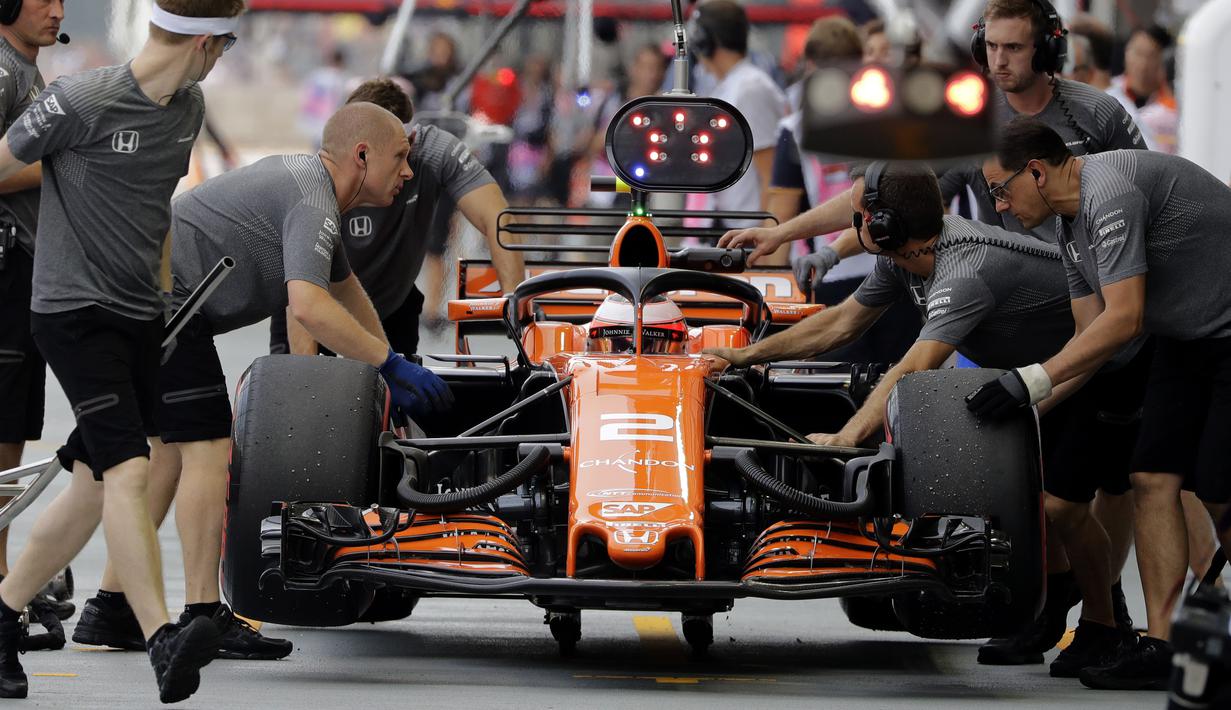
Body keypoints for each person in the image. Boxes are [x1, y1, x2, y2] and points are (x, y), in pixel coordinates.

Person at [706, 162, 1142, 677]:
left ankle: (1106, 625)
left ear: (884, 227)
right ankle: (1053, 607)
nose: (852, 225)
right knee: (1036, 500)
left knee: (1059, 506)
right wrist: (741, 359)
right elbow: (843, 322)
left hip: (1104, 363)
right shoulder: (904, 255)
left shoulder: (963, 272)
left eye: (856, 216)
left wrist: (847, 436)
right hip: (1042, 371)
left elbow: (915, 366)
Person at [70, 102, 454, 660]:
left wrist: (392, 361)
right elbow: (309, 305)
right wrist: (388, 367)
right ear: (361, 155)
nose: (409, 173)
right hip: (169, 306)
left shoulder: (313, 192)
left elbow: (343, 290)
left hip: (145, 298)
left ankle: (112, 607)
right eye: (400, 158)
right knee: (208, 451)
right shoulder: (313, 198)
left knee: (169, 456)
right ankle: (204, 613)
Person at [0, 0, 243, 702]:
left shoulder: (186, 110)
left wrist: (165, 299)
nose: (222, 57)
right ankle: (161, 636)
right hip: (72, 313)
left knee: (93, 482)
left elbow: (157, 207)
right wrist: (64, 172)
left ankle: (1, 614)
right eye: (223, 44)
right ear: (204, 46)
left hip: (143, 315)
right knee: (131, 470)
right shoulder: (77, 101)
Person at [973, 117, 1231, 690]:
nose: (1002, 208)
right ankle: (1162, 646)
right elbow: (1092, 345)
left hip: (1225, 333)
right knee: (1150, 476)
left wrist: (1031, 380)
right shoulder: (1069, 229)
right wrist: (1027, 410)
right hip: (1187, 339)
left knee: (1216, 487)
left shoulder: (1106, 193)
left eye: (1000, 190)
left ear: (1036, 171)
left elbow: (1125, 318)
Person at [268, 78, 524, 357]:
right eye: (394, 155)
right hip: (320, 303)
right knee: (305, 385)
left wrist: (513, 300)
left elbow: (498, 218)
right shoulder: (322, 177)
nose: (406, 170)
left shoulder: (433, 151)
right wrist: (305, 383)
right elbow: (303, 301)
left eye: (406, 151)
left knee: (403, 393)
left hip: (393, 303)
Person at [767, 17, 919, 363]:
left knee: (833, 392)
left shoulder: (796, 128)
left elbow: (782, 209)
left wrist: (775, 292)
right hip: (897, 269)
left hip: (831, 272)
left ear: (809, 65)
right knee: (898, 389)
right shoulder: (891, 117)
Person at [0, 0, 75, 624]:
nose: (56, 10)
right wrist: (63, 160)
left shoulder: (26, 72)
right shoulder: (0, 71)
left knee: (13, 428)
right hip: (4, 269)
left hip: (26, 267)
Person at [689, 0, 787, 229]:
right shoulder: (730, 87)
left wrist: (765, 245)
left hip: (749, 234)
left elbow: (772, 176)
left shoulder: (750, 89)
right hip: (729, 228)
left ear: (705, 40)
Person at [1108, 25, 1177, 154]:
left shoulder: (1172, 106)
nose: (1142, 64)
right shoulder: (1109, 94)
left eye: (1151, 56)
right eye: (1138, 53)